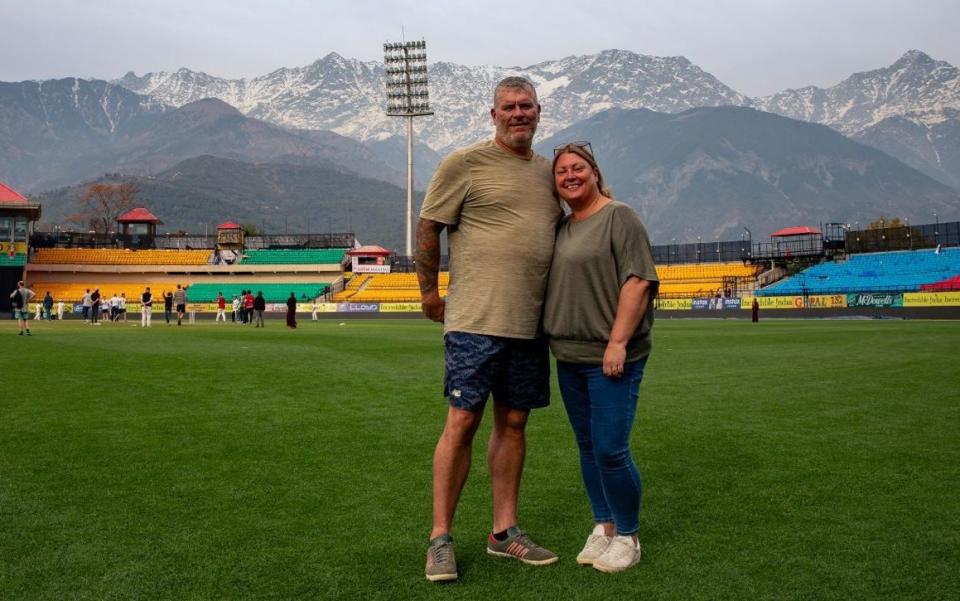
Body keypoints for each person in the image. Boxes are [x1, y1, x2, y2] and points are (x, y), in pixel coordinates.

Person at [416, 76, 563, 582]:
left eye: (527, 106)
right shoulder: (465, 164)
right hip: (475, 320)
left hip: (529, 323)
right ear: (493, 114)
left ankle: (504, 532)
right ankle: (440, 538)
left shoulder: (549, 173)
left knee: (515, 424)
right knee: (462, 423)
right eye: (509, 106)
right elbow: (428, 225)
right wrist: (429, 293)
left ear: (539, 113)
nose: (518, 113)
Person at [543, 142, 659, 574]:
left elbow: (638, 281)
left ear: (594, 173)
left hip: (610, 356)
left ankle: (628, 535)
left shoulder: (618, 216)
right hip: (569, 355)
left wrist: (617, 342)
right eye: (561, 172)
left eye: (578, 168)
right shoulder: (564, 226)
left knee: (611, 449)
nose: (570, 176)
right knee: (588, 446)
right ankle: (604, 526)